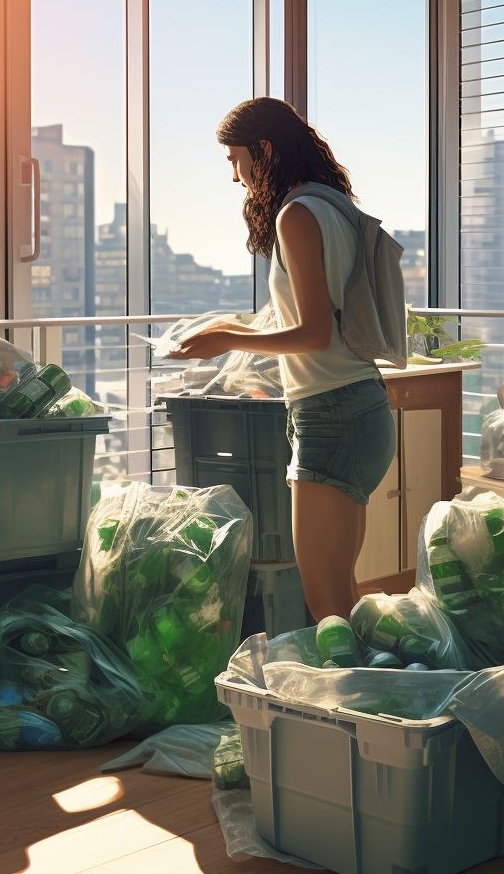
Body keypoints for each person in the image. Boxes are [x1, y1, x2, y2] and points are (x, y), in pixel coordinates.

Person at [169, 97, 396, 621]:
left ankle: (348, 698)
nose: (234, 175)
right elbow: (318, 319)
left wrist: (230, 341)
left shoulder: (296, 214)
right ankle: (382, 693)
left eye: (235, 159)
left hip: (332, 417)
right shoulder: (334, 206)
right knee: (344, 593)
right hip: (361, 408)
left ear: (264, 150)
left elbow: (314, 334)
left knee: (325, 602)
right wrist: (232, 329)